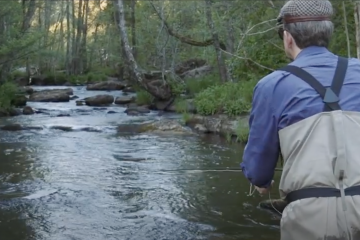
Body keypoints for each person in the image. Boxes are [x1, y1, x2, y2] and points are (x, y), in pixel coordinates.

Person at [240, 0, 360, 239]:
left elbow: (259, 170)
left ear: (288, 38)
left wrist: (261, 181)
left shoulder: (272, 85)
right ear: (328, 33)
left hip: (312, 219)